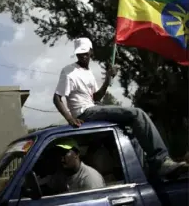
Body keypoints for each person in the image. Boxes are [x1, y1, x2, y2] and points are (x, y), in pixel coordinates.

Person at [53, 37, 187, 178]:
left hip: (92, 108)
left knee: (131, 132)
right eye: (80, 54)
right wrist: (69, 118)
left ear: (91, 52)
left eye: (85, 53)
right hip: (84, 113)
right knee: (137, 114)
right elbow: (57, 98)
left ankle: (146, 173)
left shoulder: (88, 72)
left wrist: (107, 79)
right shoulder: (68, 72)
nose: (83, 56)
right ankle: (161, 160)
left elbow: (96, 97)